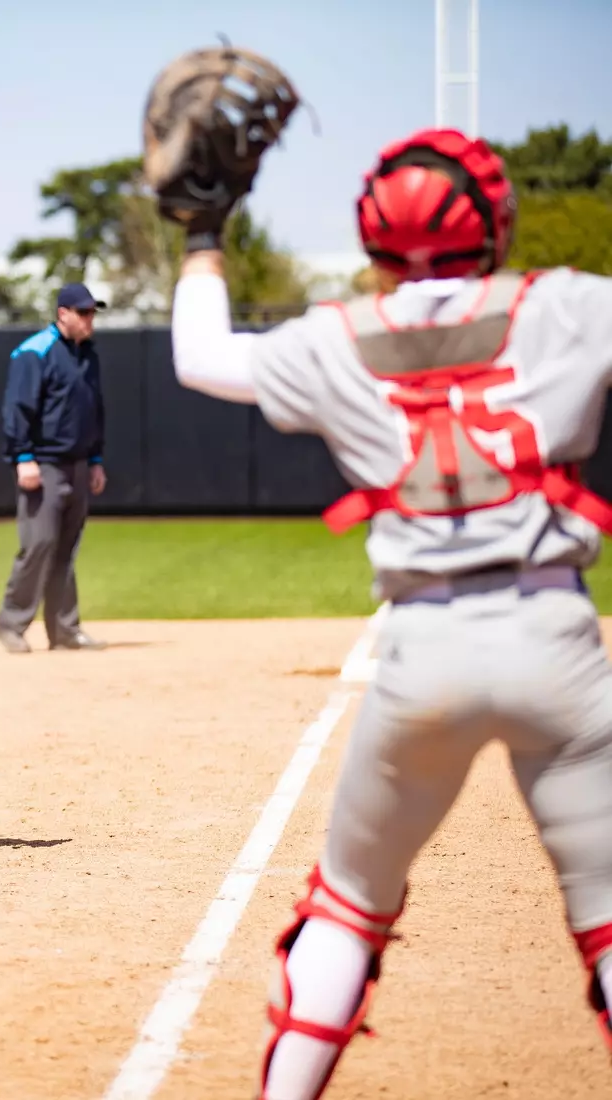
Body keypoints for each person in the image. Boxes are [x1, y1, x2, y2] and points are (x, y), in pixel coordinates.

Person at [170, 129, 612, 1098]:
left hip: (424, 648)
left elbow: (199, 357)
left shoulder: (334, 334)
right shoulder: (569, 305)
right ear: (496, 220)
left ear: (372, 234)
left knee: (348, 905)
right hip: (556, 635)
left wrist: (203, 233)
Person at [0, 282, 108, 653]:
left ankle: (64, 630)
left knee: (66, 549)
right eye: (83, 312)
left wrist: (95, 460)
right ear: (63, 313)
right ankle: (11, 624)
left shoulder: (87, 354)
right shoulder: (35, 351)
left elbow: (94, 411)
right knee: (39, 544)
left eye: (92, 313)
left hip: (79, 463)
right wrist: (23, 457)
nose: (90, 319)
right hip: (43, 464)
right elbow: (17, 408)